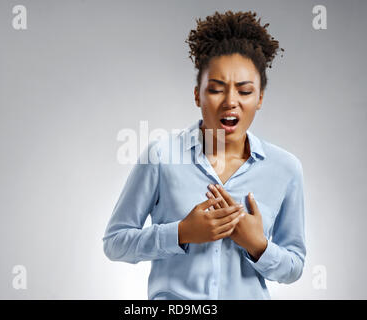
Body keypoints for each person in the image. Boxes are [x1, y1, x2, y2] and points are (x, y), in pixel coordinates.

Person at [103, 10, 306, 300]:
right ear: (197, 94)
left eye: (245, 91)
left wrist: (258, 245)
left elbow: (294, 266)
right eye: (216, 89)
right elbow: (115, 243)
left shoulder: (285, 169)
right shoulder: (161, 157)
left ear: (260, 97)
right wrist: (182, 232)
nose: (230, 102)